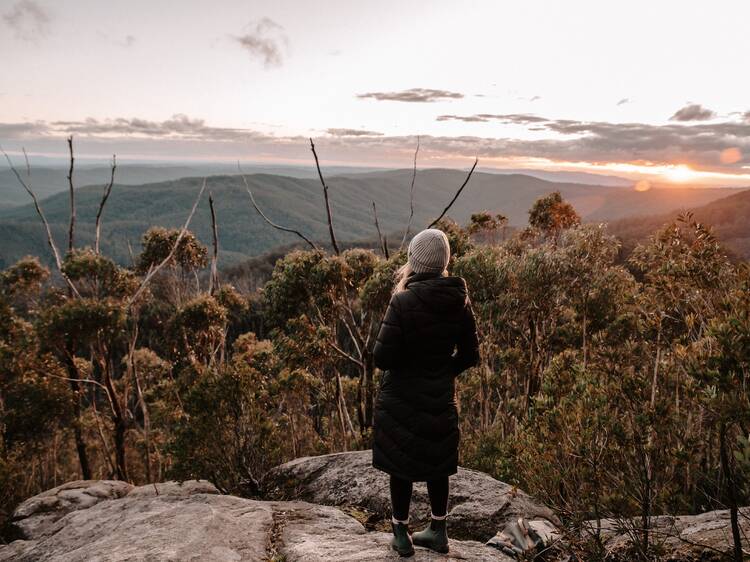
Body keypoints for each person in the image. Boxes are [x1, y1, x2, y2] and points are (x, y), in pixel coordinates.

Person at [372, 228, 480, 557]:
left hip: (401, 398)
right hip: (439, 396)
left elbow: (382, 358)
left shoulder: (402, 301)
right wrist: (442, 372)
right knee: (437, 463)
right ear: (443, 263)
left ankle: (401, 534)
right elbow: (471, 355)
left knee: (399, 464)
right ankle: (438, 531)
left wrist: (410, 367)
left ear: (413, 263)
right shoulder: (458, 299)